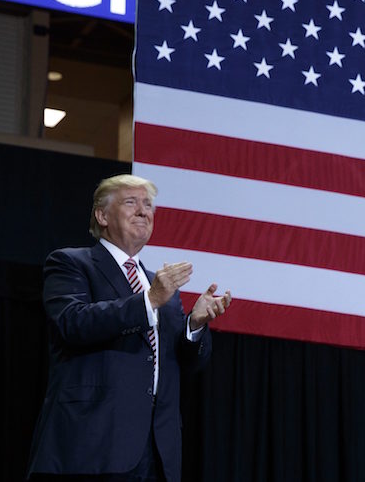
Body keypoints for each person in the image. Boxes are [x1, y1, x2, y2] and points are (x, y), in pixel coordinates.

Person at [27, 174, 231, 481]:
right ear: (102, 215)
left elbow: (185, 363)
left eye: (148, 204)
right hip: (92, 445)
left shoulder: (161, 287)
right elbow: (73, 323)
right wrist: (148, 301)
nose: (143, 211)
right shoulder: (71, 263)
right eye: (131, 202)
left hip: (157, 450)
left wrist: (195, 325)